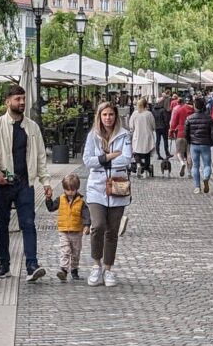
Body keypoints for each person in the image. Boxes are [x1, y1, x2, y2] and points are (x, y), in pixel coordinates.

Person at [0, 85, 52, 282]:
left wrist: (46, 181)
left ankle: (32, 265)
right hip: (3, 183)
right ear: (7, 102)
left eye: (23, 99)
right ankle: (3, 265)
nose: (22, 102)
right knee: (1, 224)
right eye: (17, 99)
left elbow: (40, 157)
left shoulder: (32, 127)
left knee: (28, 223)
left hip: (24, 183)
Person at [82, 102, 132, 287]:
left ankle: (108, 268)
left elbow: (127, 158)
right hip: (97, 187)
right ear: (99, 116)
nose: (108, 118)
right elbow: (88, 161)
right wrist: (109, 157)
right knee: (98, 225)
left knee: (112, 231)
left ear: (115, 116)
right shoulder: (92, 136)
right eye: (104, 115)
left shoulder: (125, 135)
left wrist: (101, 161)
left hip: (118, 187)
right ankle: (96, 264)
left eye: (111, 114)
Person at [45, 173, 90, 281]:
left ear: (76, 189)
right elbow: (51, 208)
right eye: (67, 189)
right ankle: (64, 270)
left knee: (76, 252)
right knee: (65, 250)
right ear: (64, 189)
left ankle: (74, 270)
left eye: (72, 190)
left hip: (76, 231)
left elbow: (86, 215)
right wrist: (48, 199)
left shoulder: (81, 202)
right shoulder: (60, 199)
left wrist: (87, 225)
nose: (70, 192)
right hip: (64, 231)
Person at [185, 97, 213, 194]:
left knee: (195, 166)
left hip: (194, 144)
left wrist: (189, 141)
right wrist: (211, 142)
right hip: (205, 144)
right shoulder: (208, 118)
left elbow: (186, 132)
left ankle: (197, 187)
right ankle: (206, 177)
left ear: (195, 106)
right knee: (207, 164)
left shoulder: (189, 118)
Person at [129, 98, 157, 178]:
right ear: (146, 105)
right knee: (147, 153)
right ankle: (146, 170)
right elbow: (153, 126)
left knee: (136, 152)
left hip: (137, 135)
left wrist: (133, 129)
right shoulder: (149, 114)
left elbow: (131, 126)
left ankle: (138, 164)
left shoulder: (135, 114)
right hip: (147, 135)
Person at [170, 96, 195, 177]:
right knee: (189, 153)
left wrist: (171, 131)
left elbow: (174, 122)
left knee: (178, 152)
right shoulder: (193, 111)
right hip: (190, 134)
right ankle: (189, 172)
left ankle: (182, 163)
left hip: (180, 133)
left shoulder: (179, 110)